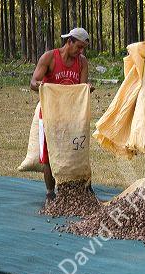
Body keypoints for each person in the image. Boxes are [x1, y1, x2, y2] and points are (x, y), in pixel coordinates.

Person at [30, 27, 92, 203]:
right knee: (48, 155)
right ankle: (50, 193)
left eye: (83, 49)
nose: (80, 52)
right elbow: (33, 82)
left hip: (71, 116)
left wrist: (87, 89)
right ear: (69, 41)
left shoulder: (82, 62)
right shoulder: (49, 57)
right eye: (78, 47)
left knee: (77, 152)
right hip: (49, 115)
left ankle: (82, 189)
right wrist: (45, 86)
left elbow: (81, 87)